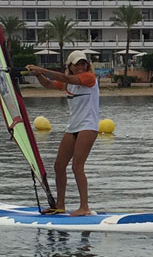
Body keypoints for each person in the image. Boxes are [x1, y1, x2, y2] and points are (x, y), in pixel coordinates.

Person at [27, 51, 100, 216]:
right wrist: (38, 74)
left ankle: (84, 207)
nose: (81, 67)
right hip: (73, 127)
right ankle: (60, 205)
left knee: (77, 166)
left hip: (88, 127)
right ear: (70, 67)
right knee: (59, 166)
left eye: (83, 64)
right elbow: (49, 85)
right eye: (77, 64)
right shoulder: (69, 84)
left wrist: (42, 69)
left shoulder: (89, 78)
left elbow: (66, 78)